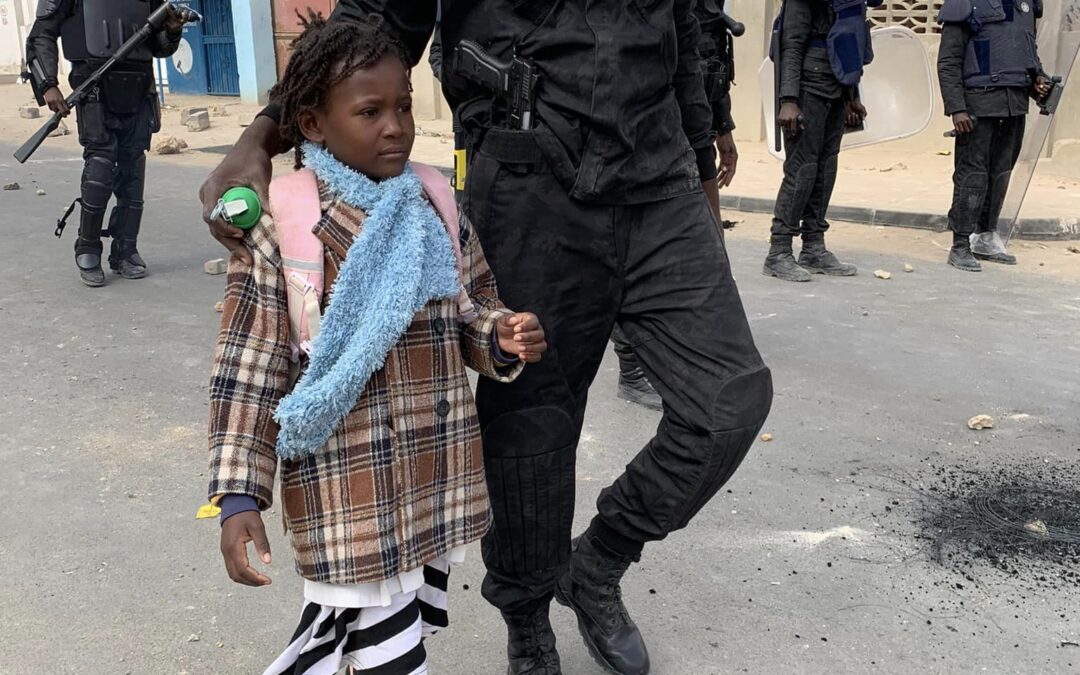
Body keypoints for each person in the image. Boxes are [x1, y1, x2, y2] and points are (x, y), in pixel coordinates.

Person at [200, 4, 773, 675]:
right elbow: (377, 16)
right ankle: (527, 615)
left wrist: (702, 172)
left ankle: (597, 561)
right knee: (533, 425)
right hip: (533, 175)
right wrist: (261, 134)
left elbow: (685, 29)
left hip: (659, 175)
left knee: (729, 403)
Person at [206, 15, 546, 674]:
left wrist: (500, 336)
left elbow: (470, 311)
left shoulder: (436, 205)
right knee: (382, 644)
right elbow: (248, 371)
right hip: (346, 488)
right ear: (312, 124)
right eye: (369, 111)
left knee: (372, 637)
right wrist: (239, 495)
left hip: (429, 474)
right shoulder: (285, 223)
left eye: (403, 106)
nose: (395, 125)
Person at [610, 0, 743, 412]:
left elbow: (703, 69)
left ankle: (682, 352)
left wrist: (722, 132)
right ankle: (632, 366)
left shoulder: (700, 9)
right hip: (621, 144)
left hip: (683, 137)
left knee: (704, 248)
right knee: (623, 259)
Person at [26, 0, 184, 287]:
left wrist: (172, 32)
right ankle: (87, 247)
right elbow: (41, 34)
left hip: (140, 89)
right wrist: (48, 83)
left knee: (133, 173)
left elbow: (159, 47)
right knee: (99, 171)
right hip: (94, 87)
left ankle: (125, 249)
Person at [765, 0, 879, 283]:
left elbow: (850, 40)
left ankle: (814, 247)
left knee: (826, 170)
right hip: (807, 87)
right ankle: (778, 251)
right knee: (802, 171)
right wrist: (788, 100)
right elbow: (790, 45)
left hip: (837, 87)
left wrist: (853, 97)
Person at [937, 0, 1051, 271]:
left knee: (1001, 172)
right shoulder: (965, 3)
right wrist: (956, 108)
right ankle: (961, 244)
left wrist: (1038, 81)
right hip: (978, 104)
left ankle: (986, 236)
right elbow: (949, 61)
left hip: (1015, 103)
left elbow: (1027, 53)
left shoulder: (1025, 5)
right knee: (972, 174)